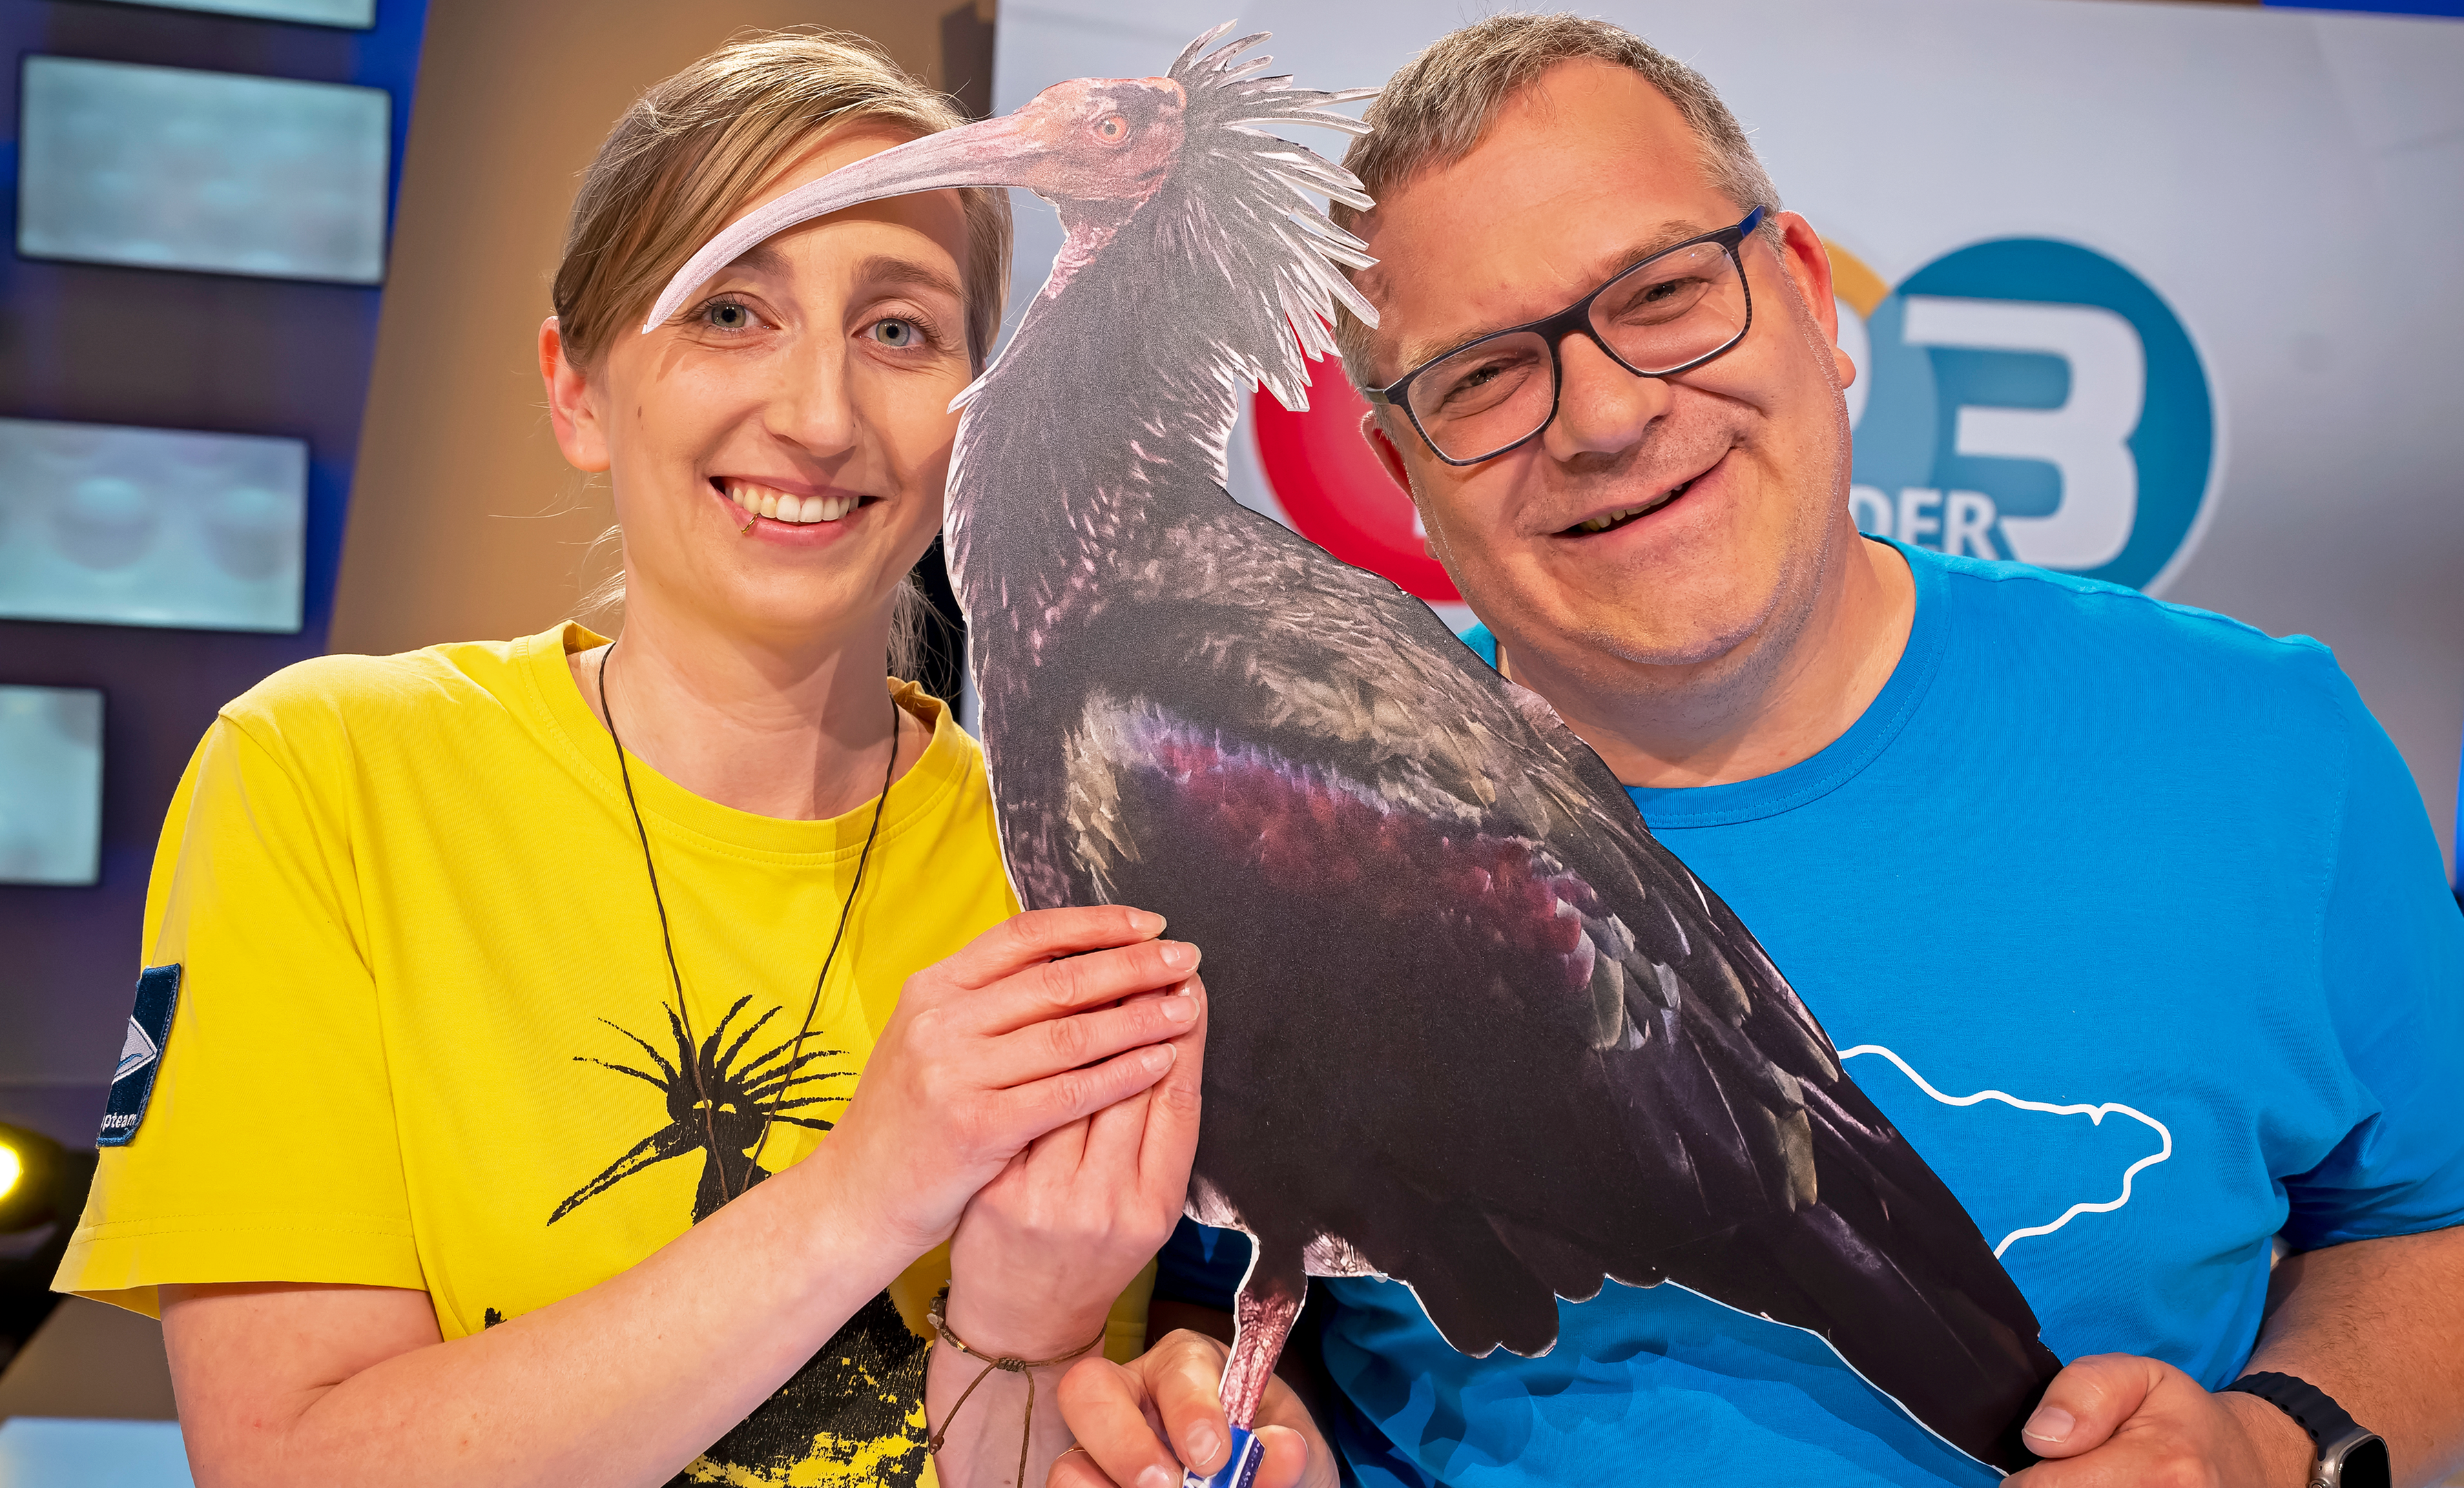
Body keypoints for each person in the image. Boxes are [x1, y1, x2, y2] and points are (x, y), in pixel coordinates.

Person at [1053, 15, 2464, 1488]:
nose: (1602, 415)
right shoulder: (1262, 832)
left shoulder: (2254, 751)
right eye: (1480, 376)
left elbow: (2433, 1220)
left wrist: (2276, 1444)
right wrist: (1221, 1412)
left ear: (1805, 292)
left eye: (1661, 294)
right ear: (1402, 470)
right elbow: (1212, 1303)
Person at [52, 32, 1198, 1488]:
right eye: (730, 311)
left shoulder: (1083, 879)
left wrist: (1037, 1337)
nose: (821, 414)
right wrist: (864, 1193)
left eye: (900, 331)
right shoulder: (328, 774)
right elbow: (290, 1464)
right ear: (578, 389)